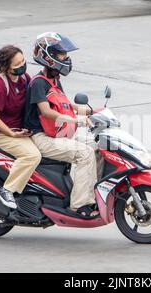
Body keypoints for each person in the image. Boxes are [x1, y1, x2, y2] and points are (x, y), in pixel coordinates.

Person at [24, 32, 99, 218]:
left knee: (99, 145)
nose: (66, 58)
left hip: (59, 133)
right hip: (41, 138)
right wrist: (75, 120)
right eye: (61, 55)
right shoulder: (38, 83)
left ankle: (95, 194)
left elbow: (67, 105)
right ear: (48, 56)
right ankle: (80, 205)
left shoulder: (54, 80)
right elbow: (47, 112)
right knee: (85, 153)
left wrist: (93, 112)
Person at [0, 45, 41, 209]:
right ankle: (7, 190)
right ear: (6, 67)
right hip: (3, 134)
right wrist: (11, 133)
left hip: (21, 130)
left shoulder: (25, 78)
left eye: (23, 61)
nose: (22, 65)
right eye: (17, 64)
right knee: (32, 156)